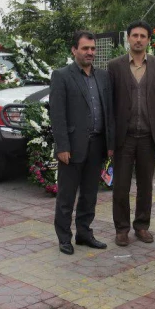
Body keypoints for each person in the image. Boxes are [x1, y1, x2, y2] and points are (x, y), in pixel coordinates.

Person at [49, 31, 115, 255]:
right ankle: (64, 238)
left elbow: (108, 111)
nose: (90, 53)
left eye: (93, 49)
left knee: (90, 194)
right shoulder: (62, 76)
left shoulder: (103, 77)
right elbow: (57, 115)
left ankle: (84, 233)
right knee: (67, 195)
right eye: (85, 48)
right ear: (74, 50)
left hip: (97, 145)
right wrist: (62, 147)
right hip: (73, 147)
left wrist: (110, 143)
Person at [107, 21, 155, 246]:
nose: (138, 39)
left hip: (148, 136)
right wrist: (110, 137)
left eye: (142, 36)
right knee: (121, 186)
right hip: (123, 138)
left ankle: (142, 226)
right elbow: (110, 104)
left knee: (145, 185)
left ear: (148, 40)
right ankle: (122, 229)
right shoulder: (114, 66)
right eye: (134, 35)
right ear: (128, 38)